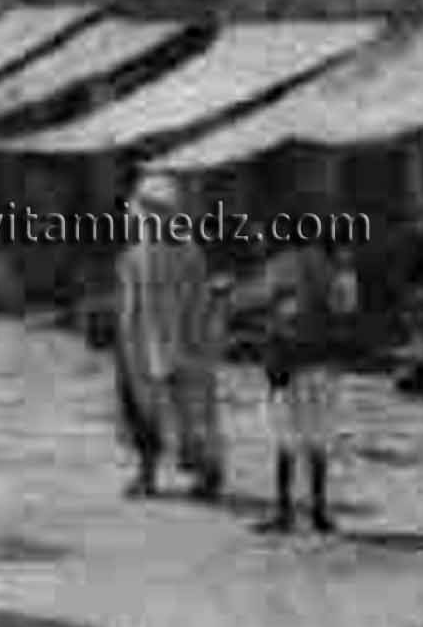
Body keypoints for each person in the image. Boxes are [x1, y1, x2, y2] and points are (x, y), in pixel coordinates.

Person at [111, 172, 227, 502]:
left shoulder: (151, 253)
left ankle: (199, 474)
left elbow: (193, 301)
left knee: (176, 414)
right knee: (165, 413)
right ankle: (169, 476)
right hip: (161, 346)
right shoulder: (164, 252)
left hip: (160, 347)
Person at [254, 233, 358, 536]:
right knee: (319, 439)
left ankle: (285, 511)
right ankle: (318, 511)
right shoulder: (339, 271)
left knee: (286, 438)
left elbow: (266, 306)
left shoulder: (281, 266)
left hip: (291, 363)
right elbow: (347, 311)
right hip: (325, 365)